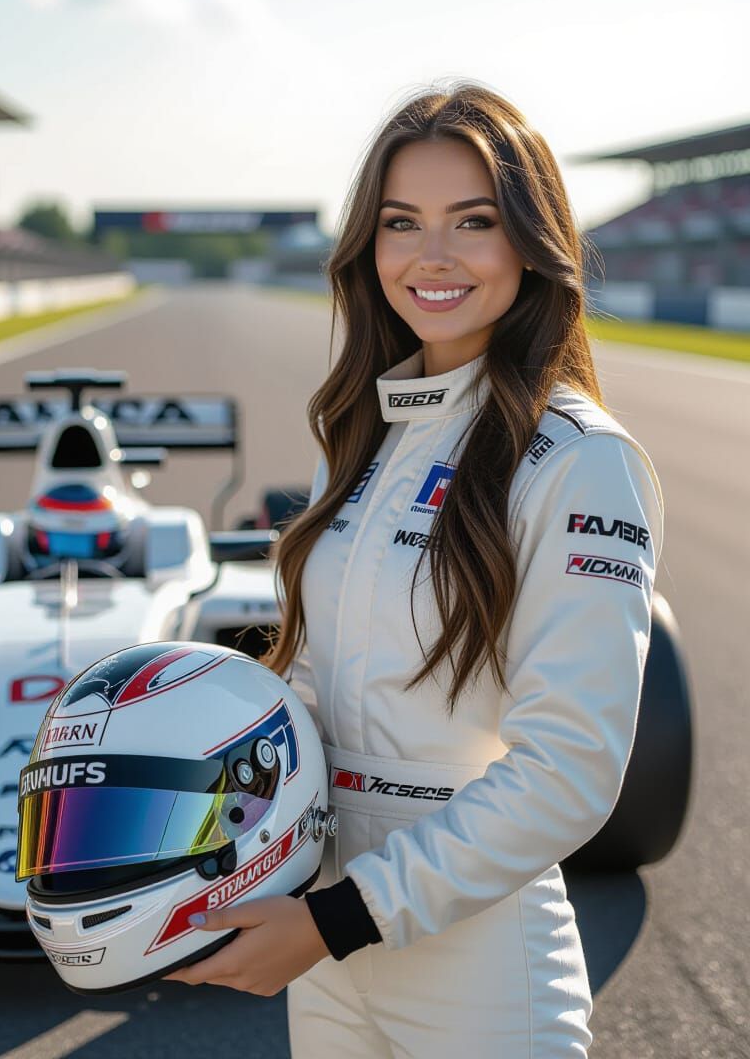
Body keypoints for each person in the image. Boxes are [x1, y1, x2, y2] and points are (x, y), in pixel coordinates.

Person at [164, 83, 663, 1058]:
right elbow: (310, 688)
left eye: (471, 221)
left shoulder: (580, 459)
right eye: (401, 222)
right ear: (367, 246)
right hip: (327, 946)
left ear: (530, 239)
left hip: (473, 966)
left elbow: (569, 772)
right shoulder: (357, 438)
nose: (431, 256)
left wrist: (342, 917)